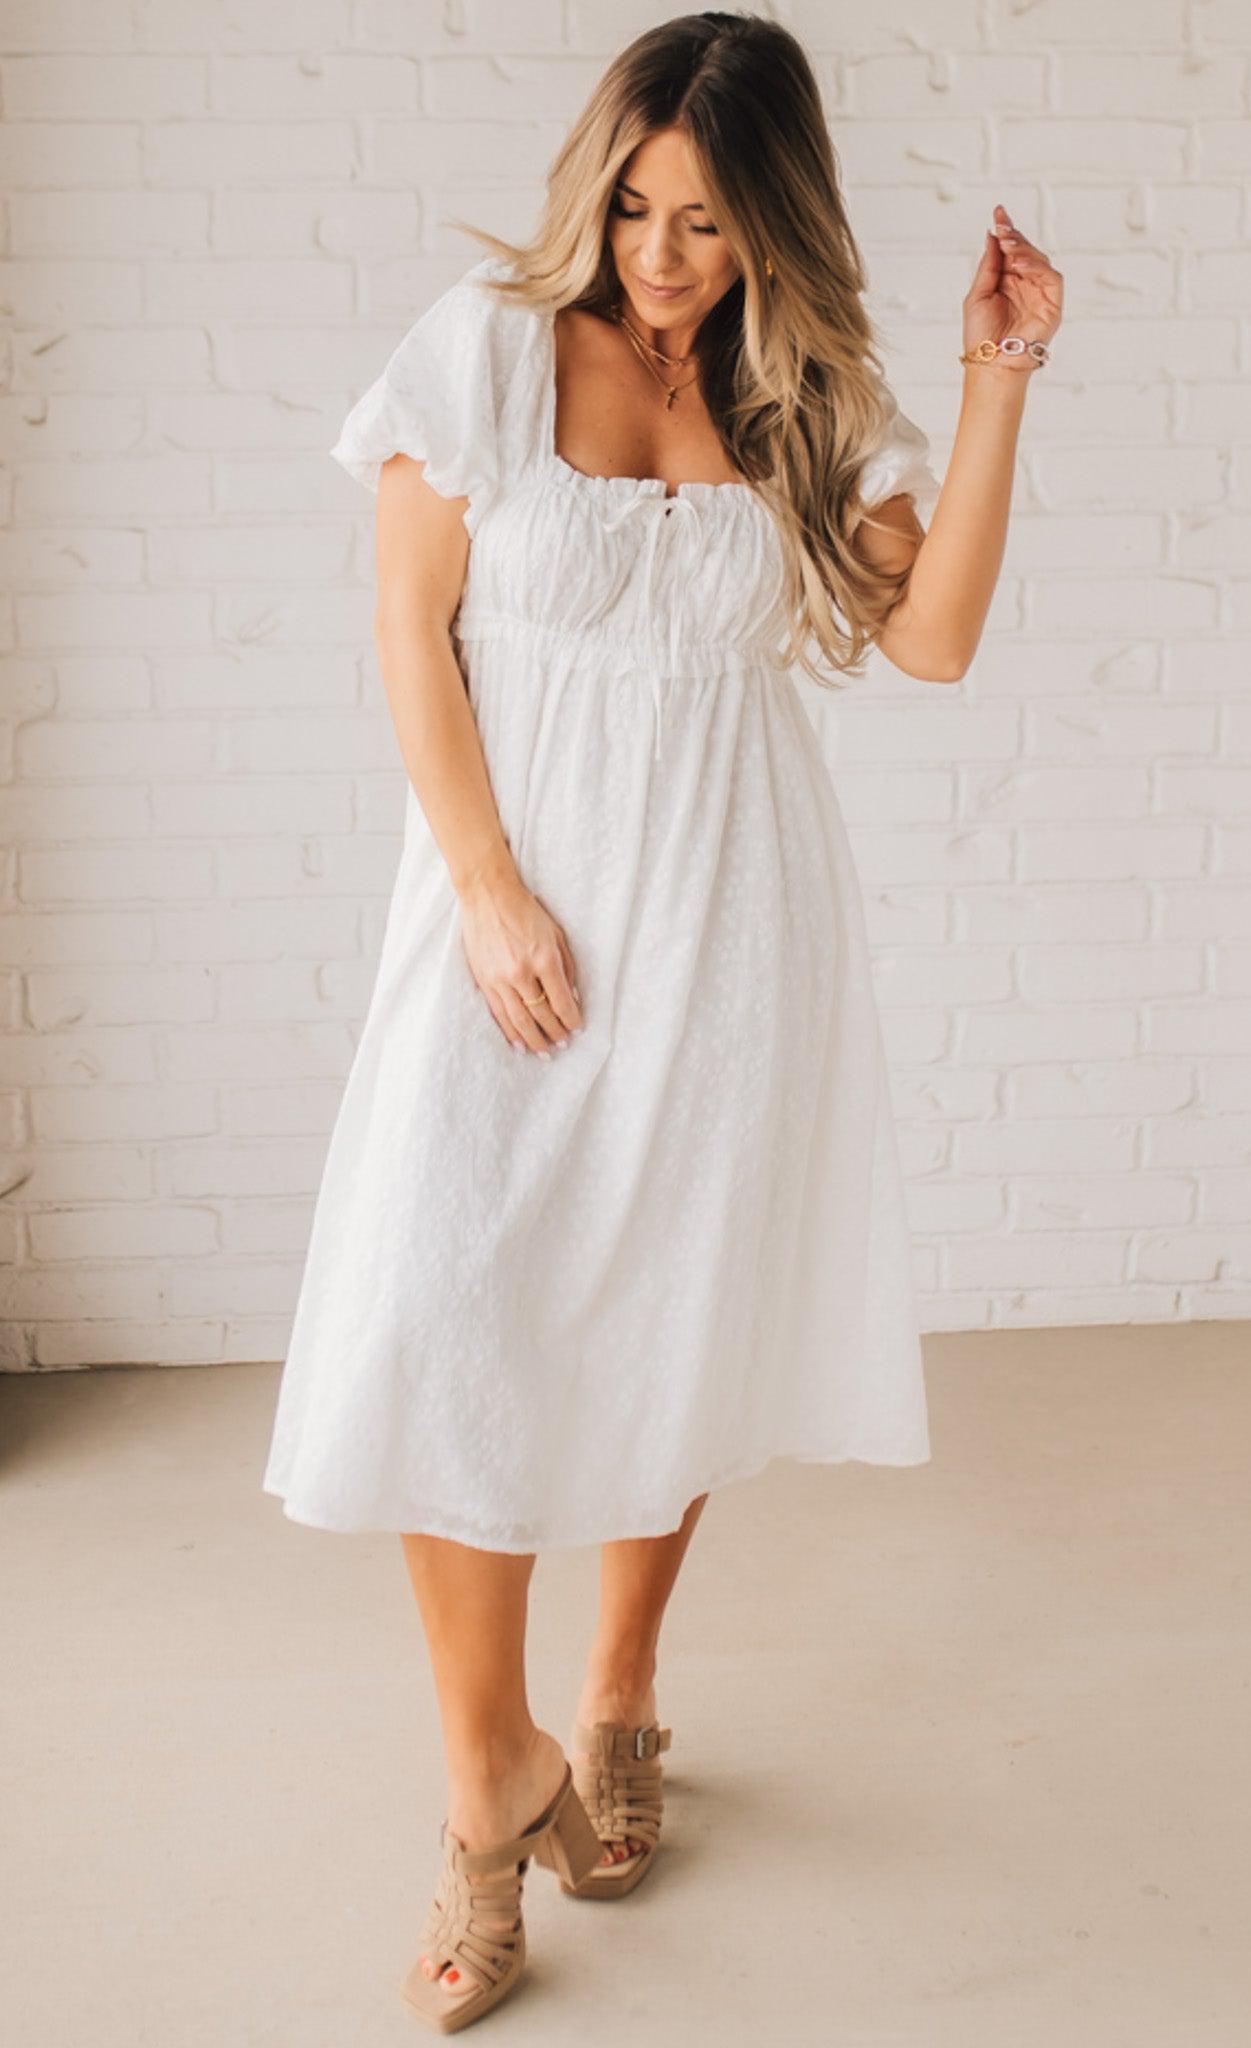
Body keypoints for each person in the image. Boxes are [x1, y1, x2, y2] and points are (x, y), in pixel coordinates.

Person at [261, 9, 1062, 2033]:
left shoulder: (802, 405)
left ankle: (615, 1688)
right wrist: (482, 883)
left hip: (727, 921)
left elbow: (935, 638)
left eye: (704, 223)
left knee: (661, 1310)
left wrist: (989, 382)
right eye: (630, 207)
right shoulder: (485, 347)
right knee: (451, 1304)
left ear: (770, 218)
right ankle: (483, 1790)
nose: (656, 257)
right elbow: (406, 628)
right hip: (515, 924)